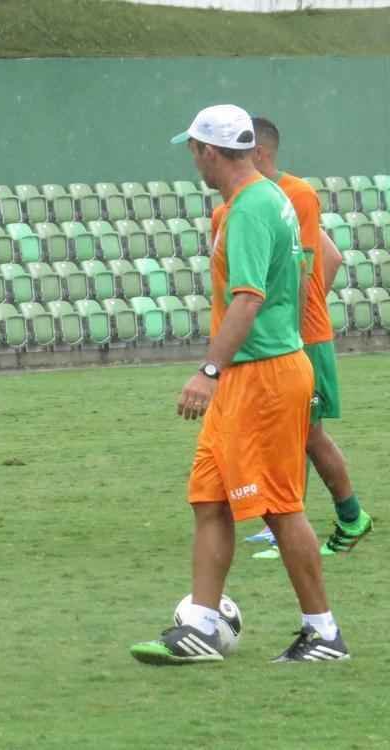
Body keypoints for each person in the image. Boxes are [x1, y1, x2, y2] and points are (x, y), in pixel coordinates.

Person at [131, 104, 349, 664]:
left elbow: (248, 296)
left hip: (263, 377)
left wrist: (209, 370)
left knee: (278, 506)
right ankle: (201, 627)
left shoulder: (251, 208)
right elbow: (303, 276)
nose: (192, 160)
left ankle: (323, 633)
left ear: (209, 150)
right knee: (209, 498)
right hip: (254, 374)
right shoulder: (266, 199)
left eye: (193, 149)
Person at [242, 117, 372, 560]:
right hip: (293, 334)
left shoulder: (293, 194)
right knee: (294, 432)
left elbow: (305, 265)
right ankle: (308, 520)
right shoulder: (273, 196)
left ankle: (336, 519)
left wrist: (294, 324)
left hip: (298, 340)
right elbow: (331, 256)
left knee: (304, 433)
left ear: (259, 152)